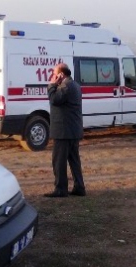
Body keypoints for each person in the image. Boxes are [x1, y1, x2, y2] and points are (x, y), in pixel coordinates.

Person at [43, 63, 86, 198]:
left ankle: (61, 189)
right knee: (74, 160)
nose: (53, 76)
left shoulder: (65, 86)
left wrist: (51, 85)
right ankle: (79, 187)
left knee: (59, 161)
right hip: (72, 130)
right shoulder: (75, 85)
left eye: (55, 74)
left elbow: (55, 100)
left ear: (61, 75)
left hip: (64, 131)